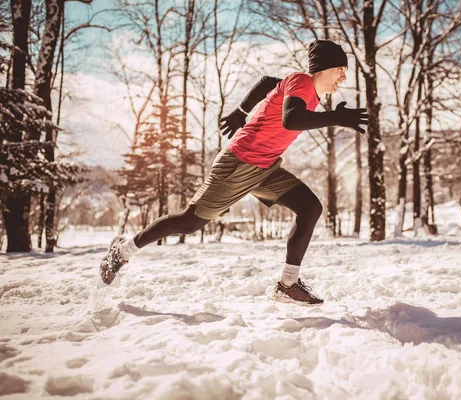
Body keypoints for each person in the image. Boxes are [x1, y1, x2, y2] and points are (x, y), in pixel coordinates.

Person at [100, 40, 369, 306]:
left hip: (265, 167)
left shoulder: (301, 89)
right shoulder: (301, 82)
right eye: (341, 69)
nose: (344, 76)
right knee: (189, 222)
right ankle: (122, 251)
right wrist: (336, 118)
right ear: (323, 67)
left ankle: (288, 284)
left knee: (310, 207)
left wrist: (241, 112)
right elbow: (292, 119)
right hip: (239, 164)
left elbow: (266, 83)